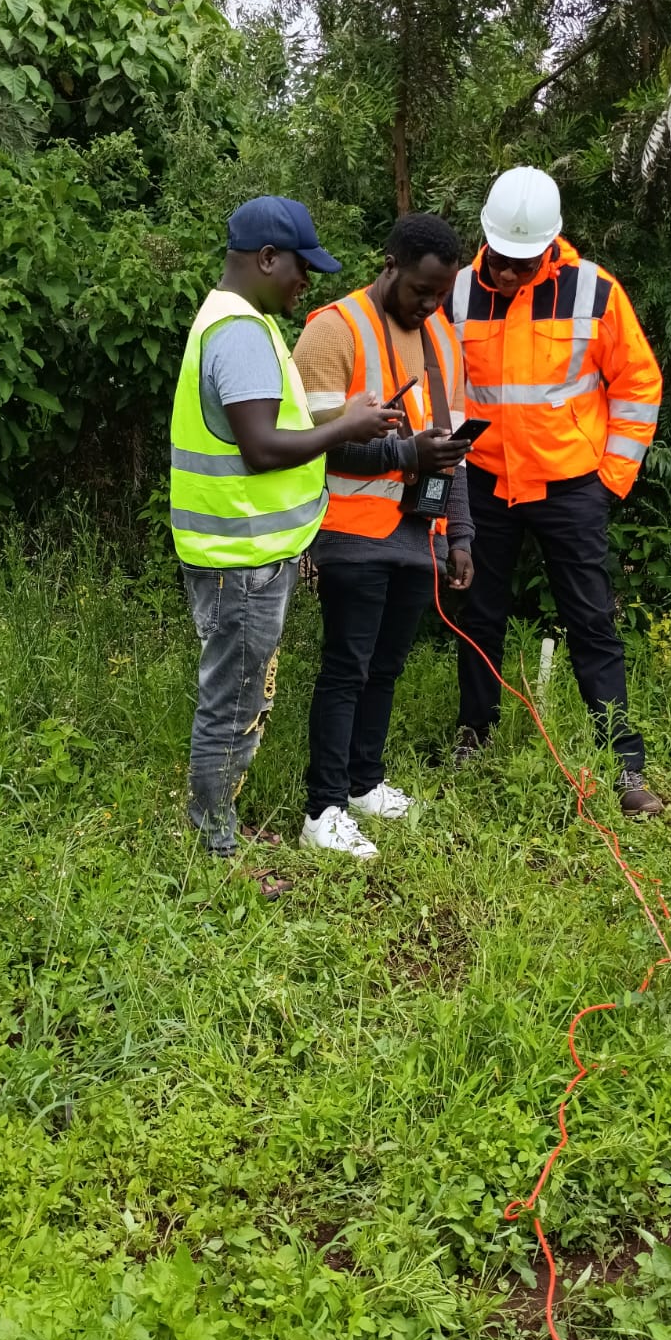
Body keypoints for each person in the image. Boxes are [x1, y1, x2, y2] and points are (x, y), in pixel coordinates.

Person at [170, 195, 400, 889]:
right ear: (266, 259)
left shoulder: (245, 322)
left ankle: (219, 825)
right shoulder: (240, 333)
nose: (308, 282)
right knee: (235, 702)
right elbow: (264, 448)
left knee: (242, 695)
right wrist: (349, 426)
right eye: (302, 268)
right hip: (239, 557)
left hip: (249, 551)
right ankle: (213, 849)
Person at [448, 167, 665, 816]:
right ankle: (473, 739)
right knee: (478, 617)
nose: (511, 274)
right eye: (502, 260)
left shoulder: (594, 291)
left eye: (524, 261)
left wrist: (609, 481)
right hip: (485, 482)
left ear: (550, 245)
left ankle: (623, 765)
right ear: (486, 240)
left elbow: (637, 385)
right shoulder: (458, 293)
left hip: (572, 485)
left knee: (591, 620)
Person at [292, 213, 474, 858]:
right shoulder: (332, 329)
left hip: (418, 537)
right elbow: (312, 448)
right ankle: (325, 807)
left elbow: (450, 450)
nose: (429, 304)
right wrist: (406, 457)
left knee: (386, 668)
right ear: (390, 264)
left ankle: (365, 782)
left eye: (441, 294)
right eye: (421, 290)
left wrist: (462, 537)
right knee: (347, 668)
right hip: (350, 531)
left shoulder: (441, 339)